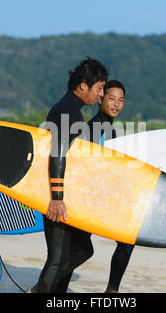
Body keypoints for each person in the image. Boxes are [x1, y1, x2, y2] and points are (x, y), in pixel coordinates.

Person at [30, 57, 108, 293]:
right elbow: (57, 154)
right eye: (99, 88)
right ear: (83, 85)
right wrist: (56, 197)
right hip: (55, 194)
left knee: (80, 249)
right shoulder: (68, 111)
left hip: (61, 192)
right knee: (58, 258)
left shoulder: (68, 109)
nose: (101, 95)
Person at [86, 80, 133, 293]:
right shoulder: (96, 127)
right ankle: (112, 290)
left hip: (100, 195)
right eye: (112, 98)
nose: (116, 104)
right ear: (100, 98)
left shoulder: (107, 127)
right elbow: (90, 166)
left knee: (125, 240)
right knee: (78, 248)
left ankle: (112, 290)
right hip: (92, 198)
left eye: (121, 100)